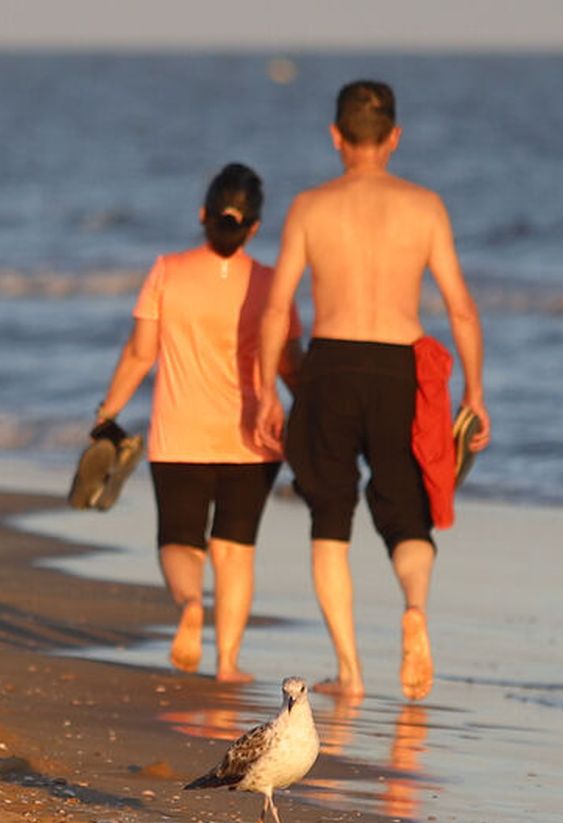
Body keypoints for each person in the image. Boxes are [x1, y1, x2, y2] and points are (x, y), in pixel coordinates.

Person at [252, 80, 491, 702]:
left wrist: (262, 393)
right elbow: (462, 311)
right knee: (406, 513)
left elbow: (276, 314)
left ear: (336, 137)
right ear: (395, 137)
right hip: (399, 373)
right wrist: (475, 393)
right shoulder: (425, 206)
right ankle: (414, 609)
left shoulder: (310, 206)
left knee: (330, 518)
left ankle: (350, 672)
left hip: (329, 367)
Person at [95, 163, 300, 683]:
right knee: (235, 550)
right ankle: (228, 663)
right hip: (252, 441)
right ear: (255, 227)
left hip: (179, 434)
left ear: (203, 214)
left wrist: (108, 413)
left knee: (181, 541)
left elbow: (141, 354)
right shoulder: (273, 283)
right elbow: (291, 366)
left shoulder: (167, 270)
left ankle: (190, 604)